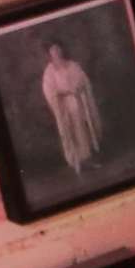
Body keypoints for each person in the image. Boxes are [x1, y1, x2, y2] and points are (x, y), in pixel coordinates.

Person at [35, 33, 97, 170]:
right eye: (53, 50)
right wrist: (64, 92)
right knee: (69, 132)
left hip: (77, 102)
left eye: (58, 48)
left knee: (82, 130)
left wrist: (78, 88)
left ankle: (87, 159)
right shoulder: (49, 71)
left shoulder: (72, 65)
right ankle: (76, 161)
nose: (56, 52)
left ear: (62, 49)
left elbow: (83, 79)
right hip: (63, 105)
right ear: (49, 53)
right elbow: (49, 90)